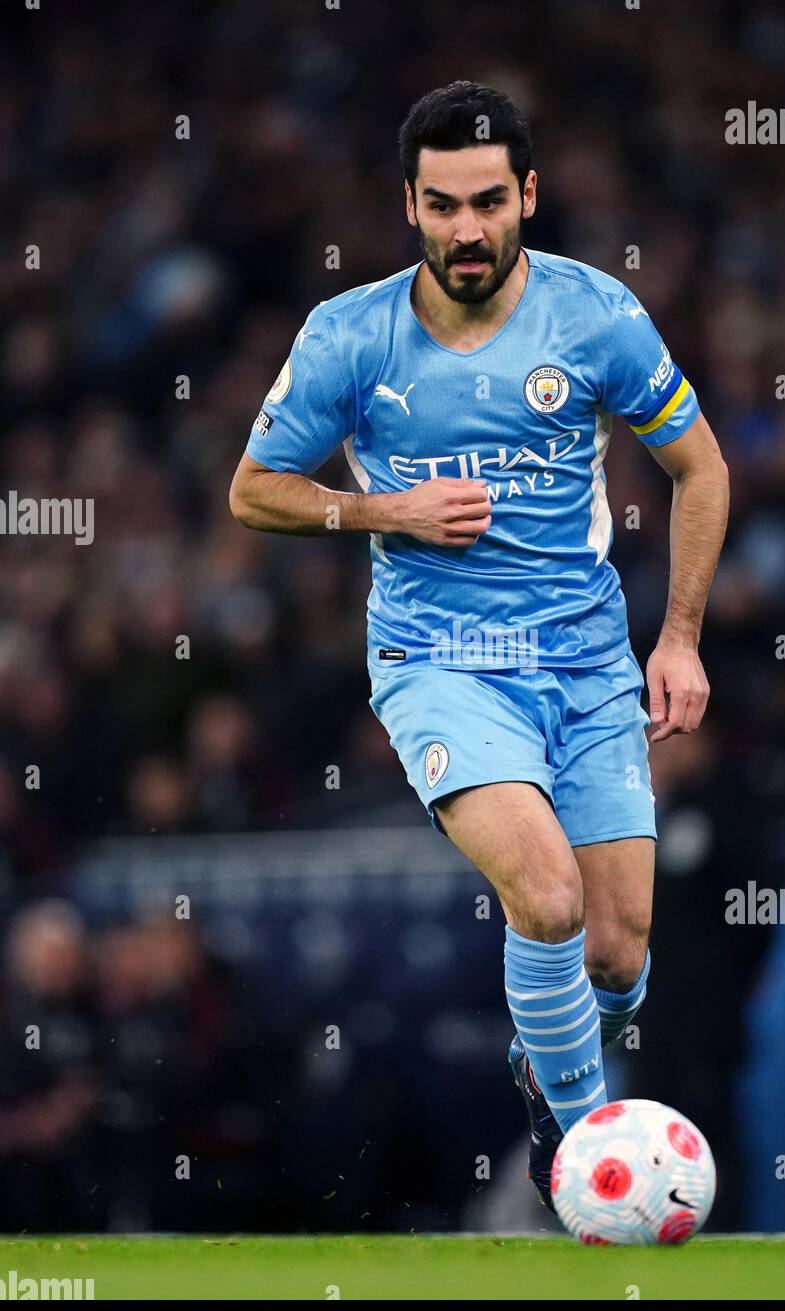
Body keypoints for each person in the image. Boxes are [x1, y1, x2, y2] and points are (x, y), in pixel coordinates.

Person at [229, 81, 729, 1207]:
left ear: (528, 197)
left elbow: (699, 467)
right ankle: (584, 1153)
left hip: (588, 665)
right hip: (440, 665)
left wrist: (681, 638)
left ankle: (550, 1050)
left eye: (488, 202)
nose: (467, 229)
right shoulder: (349, 337)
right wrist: (380, 512)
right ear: (408, 203)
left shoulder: (595, 316)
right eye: (443, 205)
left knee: (615, 954)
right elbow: (253, 490)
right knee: (544, 899)